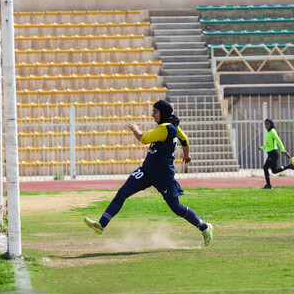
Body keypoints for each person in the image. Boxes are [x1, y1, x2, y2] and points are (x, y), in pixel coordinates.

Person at [84, 100, 213, 246]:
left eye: (155, 112)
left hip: (163, 176)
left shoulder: (165, 128)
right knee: (122, 193)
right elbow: (184, 139)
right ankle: (101, 225)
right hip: (146, 172)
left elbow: (144, 139)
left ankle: (204, 227)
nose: (152, 115)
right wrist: (186, 155)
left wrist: (134, 129)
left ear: (163, 113)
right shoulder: (172, 127)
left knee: (177, 208)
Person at [261, 118, 294, 189]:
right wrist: (262, 148)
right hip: (271, 153)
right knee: (274, 171)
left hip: (273, 153)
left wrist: (283, 150)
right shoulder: (268, 132)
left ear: (271, 124)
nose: (266, 125)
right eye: (265, 123)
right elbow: (268, 144)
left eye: (268, 123)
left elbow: (279, 141)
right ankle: (290, 166)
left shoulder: (273, 132)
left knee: (265, 167)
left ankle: (268, 185)